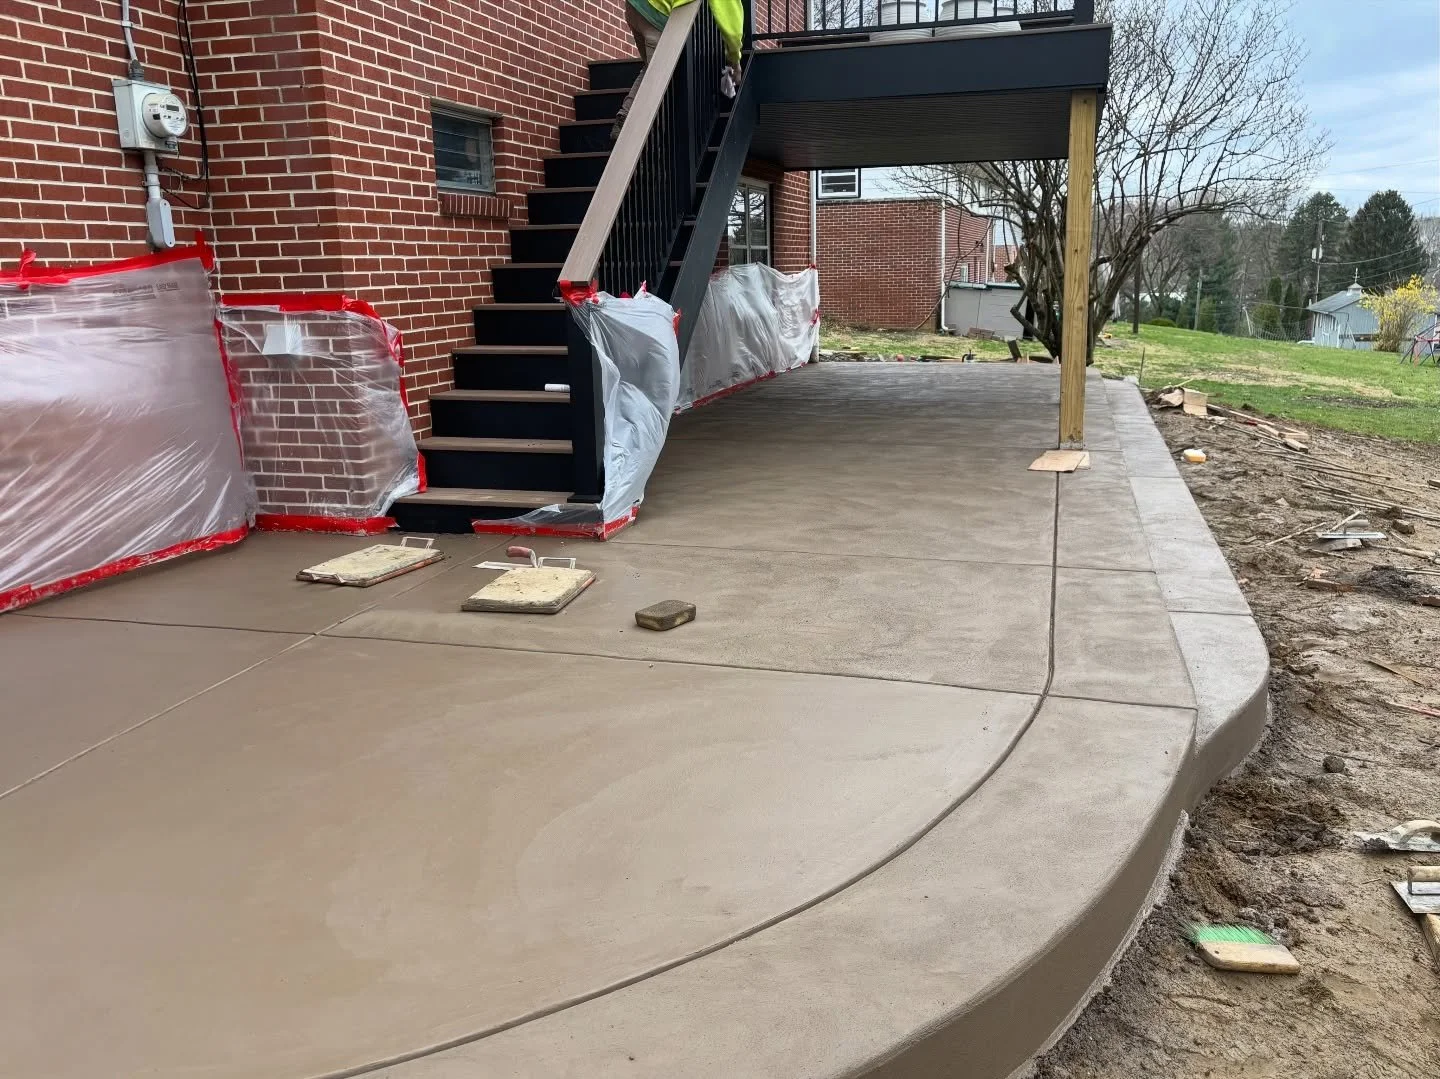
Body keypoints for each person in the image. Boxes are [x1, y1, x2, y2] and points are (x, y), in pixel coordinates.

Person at [612, 0, 744, 141]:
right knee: (663, 90)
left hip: (635, 6)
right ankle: (645, 142)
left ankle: (625, 118)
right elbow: (732, 31)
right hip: (656, 15)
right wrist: (735, 61)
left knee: (652, 70)